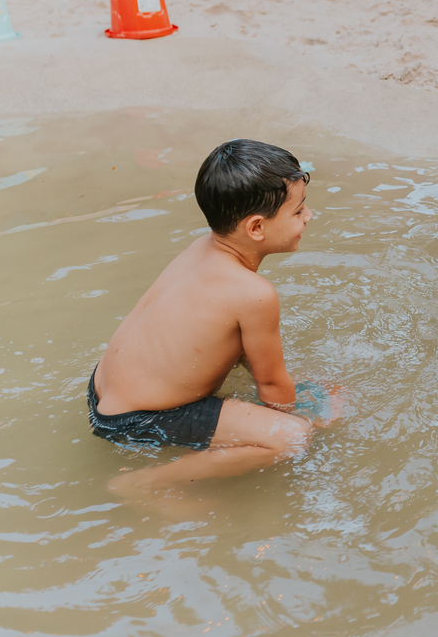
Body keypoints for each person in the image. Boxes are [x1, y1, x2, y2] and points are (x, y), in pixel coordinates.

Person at [90, 139, 318, 498]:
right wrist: (301, 417)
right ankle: (147, 482)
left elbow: (224, 341)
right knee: (292, 437)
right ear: (256, 228)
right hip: (140, 420)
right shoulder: (255, 293)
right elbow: (274, 388)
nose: (308, 217)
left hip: (101, 394)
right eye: (298, 211)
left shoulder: (201, 248)